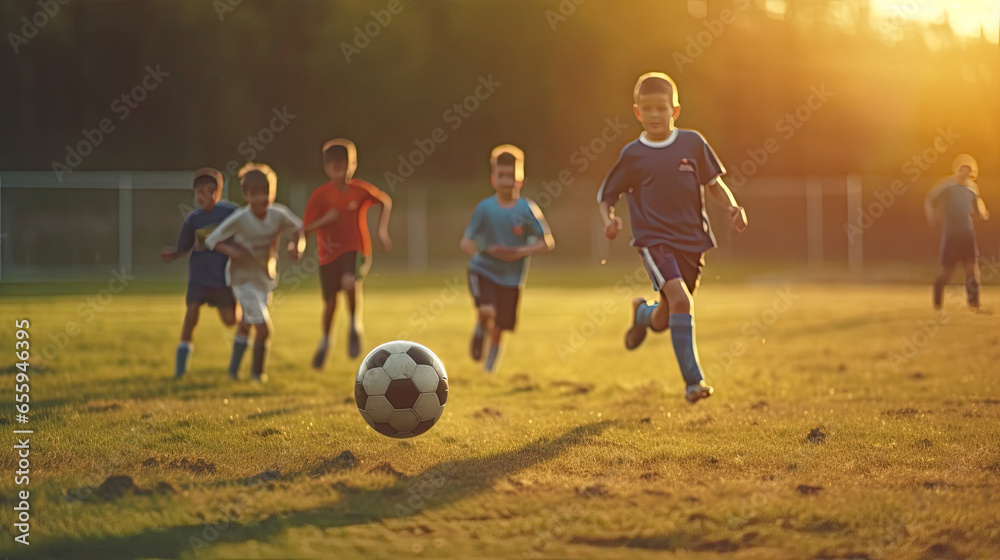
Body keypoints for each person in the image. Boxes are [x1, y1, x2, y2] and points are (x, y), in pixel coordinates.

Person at [597, 72, 747, 404]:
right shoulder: (633, 154)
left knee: (666, 316)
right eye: (646, 109)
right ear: (637, 112)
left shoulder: (693, 143)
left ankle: (641, 315)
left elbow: (713, 183)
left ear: (674, 111)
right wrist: (609, 219)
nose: (654, 115)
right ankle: (694, 382)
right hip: (654, 241)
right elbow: (607, 195)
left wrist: (733, 207)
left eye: (661, 108)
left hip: (692, 242)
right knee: (682, 301)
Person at [460, 144, 555, 373]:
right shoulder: (485, 208)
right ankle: (481, 326)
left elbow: (547, 242)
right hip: (484, 269)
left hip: (512, 278)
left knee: (501, 325)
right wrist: (486, 249)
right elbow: (466, 242)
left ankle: (490, 359)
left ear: (521, 180)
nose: (506, 181)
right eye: (501, 176)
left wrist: (518, 253)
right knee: (487, 312)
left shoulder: (527, 210)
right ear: (493, 179)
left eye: (511, 176)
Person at [206, 163, 304, 382]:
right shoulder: (241, 218)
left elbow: (299, 229)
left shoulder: (278, 215)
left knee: (247, 324)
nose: (262, 198)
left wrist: (296, 247)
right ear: (246, 195)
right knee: (263, 328)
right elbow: (212, 240)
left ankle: (232, 372)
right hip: (241, 279)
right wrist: (232, 251)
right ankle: (257, 376)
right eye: (256, 193)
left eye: (266, 192)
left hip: (263, 278)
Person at [302, 138, 392, 369]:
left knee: (350, 282)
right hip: (327, 255)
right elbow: (305, 228)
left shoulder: (359, 190)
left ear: (352, 165)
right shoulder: (320, 196)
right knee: (330, 304)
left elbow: (385, 201)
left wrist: (382, 231)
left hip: (356, 249)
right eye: (332, 164)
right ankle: (325, 341)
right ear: (325, 166)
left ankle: (354, 325)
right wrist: (326, 219)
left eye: (343, 164)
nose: (337, 168)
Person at [161, 168, 240, 378]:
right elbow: (184, 246)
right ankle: (180, 371)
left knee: (230, 320)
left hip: (223, 279)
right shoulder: (193, 220)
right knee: (191, 315)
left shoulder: (231, 213)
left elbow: (247, 228)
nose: (202, 196)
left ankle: (243, 315)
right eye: (197, 192)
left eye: (208, 191)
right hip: (200, 278)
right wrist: (173, 253)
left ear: (218, 193)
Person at [925, 154, 989, 311]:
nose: (965, 174)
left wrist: (982, 213)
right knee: (947, 271)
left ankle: (974, 304)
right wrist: (931, 216)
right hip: (951, 235)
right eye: (963, 170)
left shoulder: (972, 188)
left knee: (972, 269)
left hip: (967, 234)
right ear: (958, 170)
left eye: (968, 171)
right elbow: (930, 199)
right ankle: (937, 304)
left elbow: (978, 206)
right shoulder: (947, 186)